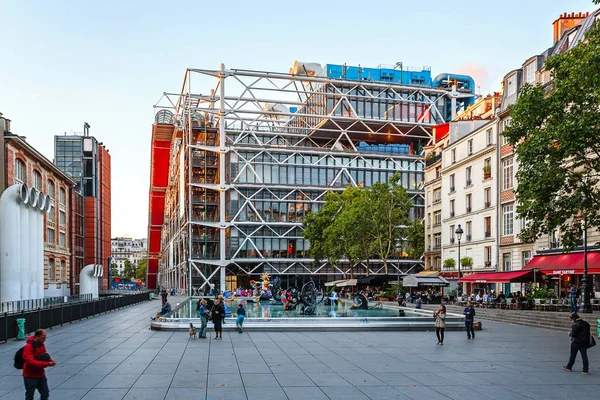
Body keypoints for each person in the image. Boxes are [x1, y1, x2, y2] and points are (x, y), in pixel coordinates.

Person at [23, 329, 56, 400]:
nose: (45, 340)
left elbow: (45, 355)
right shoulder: (28, 347)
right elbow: (31, 362)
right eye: (43, 337)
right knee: (30, 395)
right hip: (30, 375)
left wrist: (50, 361)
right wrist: (48, 363)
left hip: (40, 374)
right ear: (37, 337)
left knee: (45, 393)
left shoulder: (41, 345)